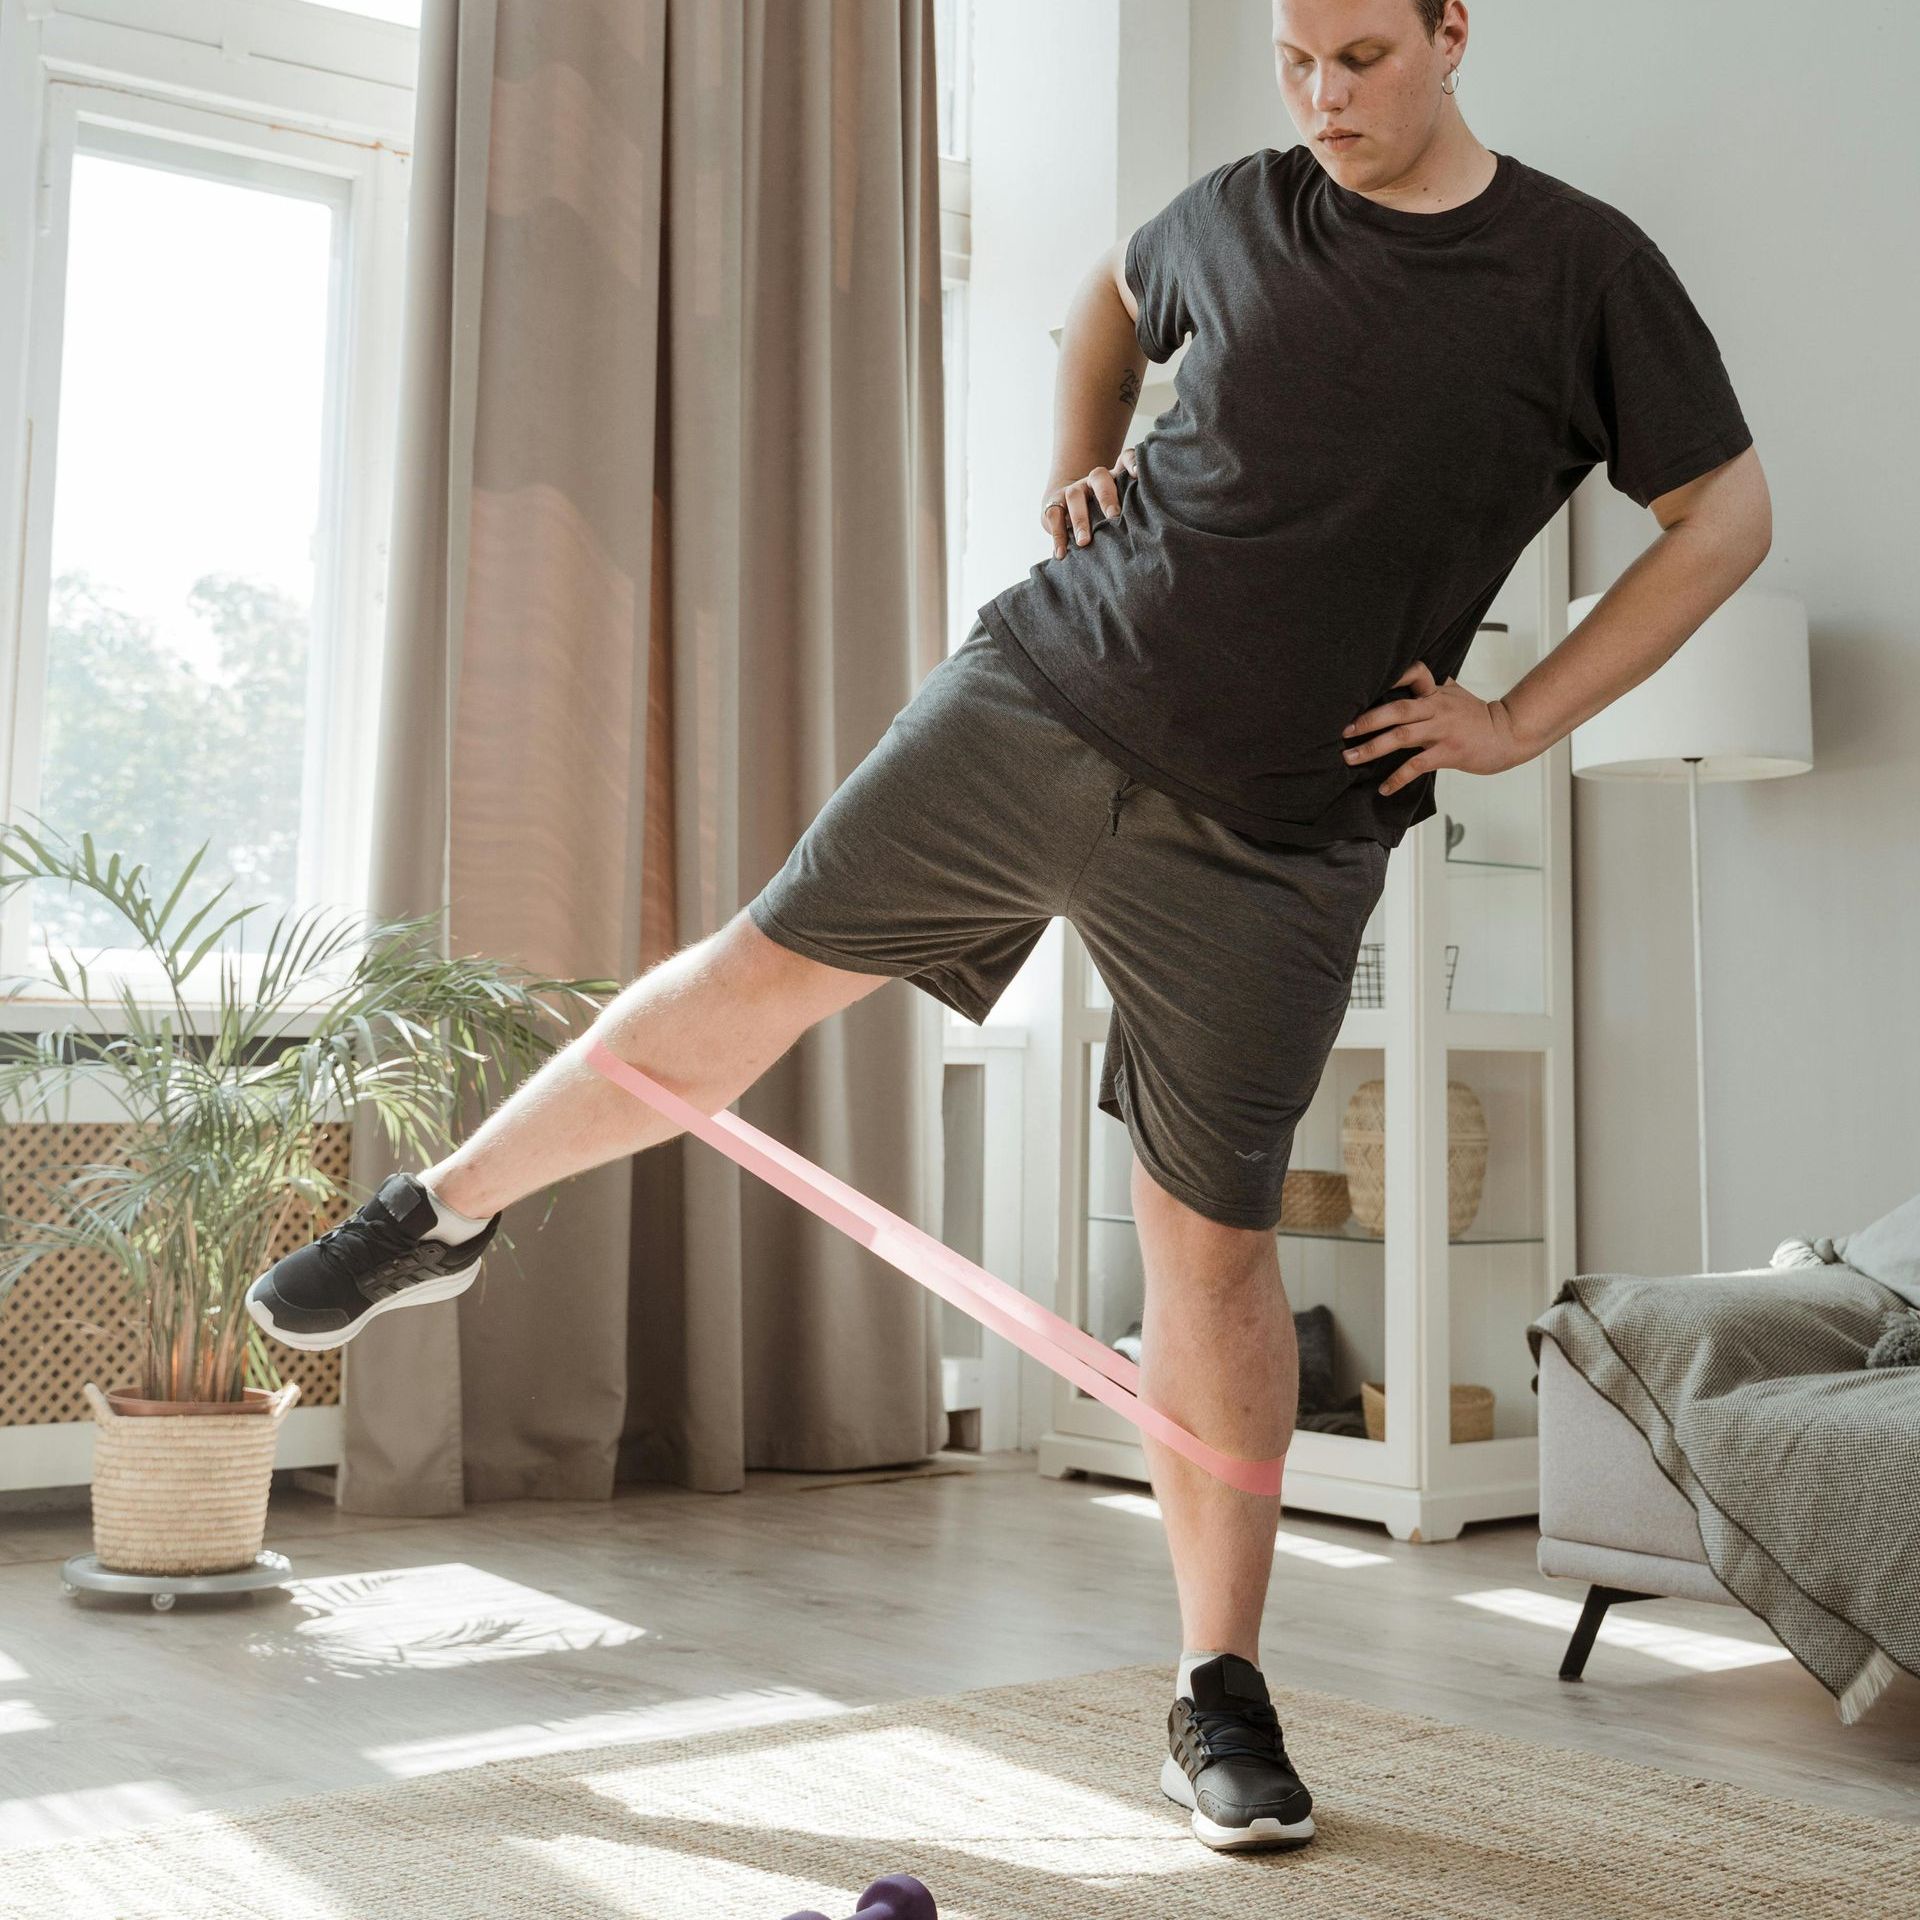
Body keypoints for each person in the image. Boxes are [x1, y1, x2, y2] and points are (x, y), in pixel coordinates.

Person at [247, 0, 1772, 1857]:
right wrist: (1080, 450)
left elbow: (1724, 515)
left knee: (1212, 1250)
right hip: (1046, 694)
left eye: (1364, 56)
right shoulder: (1238, 207)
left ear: (1456, 31)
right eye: (1295, 59)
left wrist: (1522, 720)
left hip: (1281, 831)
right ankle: (441, 1213)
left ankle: (1219, 1694)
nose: (1323, 96)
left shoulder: (1582, 270)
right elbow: (1107, 305)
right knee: (759, 968)